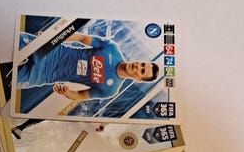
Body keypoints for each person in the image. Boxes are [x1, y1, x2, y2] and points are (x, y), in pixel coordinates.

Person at [17, 31, 160, 105]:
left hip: (43, 75)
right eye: (142, 64)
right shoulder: (112, 48)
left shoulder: (111, 90)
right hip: (49, 50)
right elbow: (81, 38)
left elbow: (80, 96)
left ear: (138, 79)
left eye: (142, 71)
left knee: (6, 77)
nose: (138, 66)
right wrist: (53, 38)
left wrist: (67, 92)